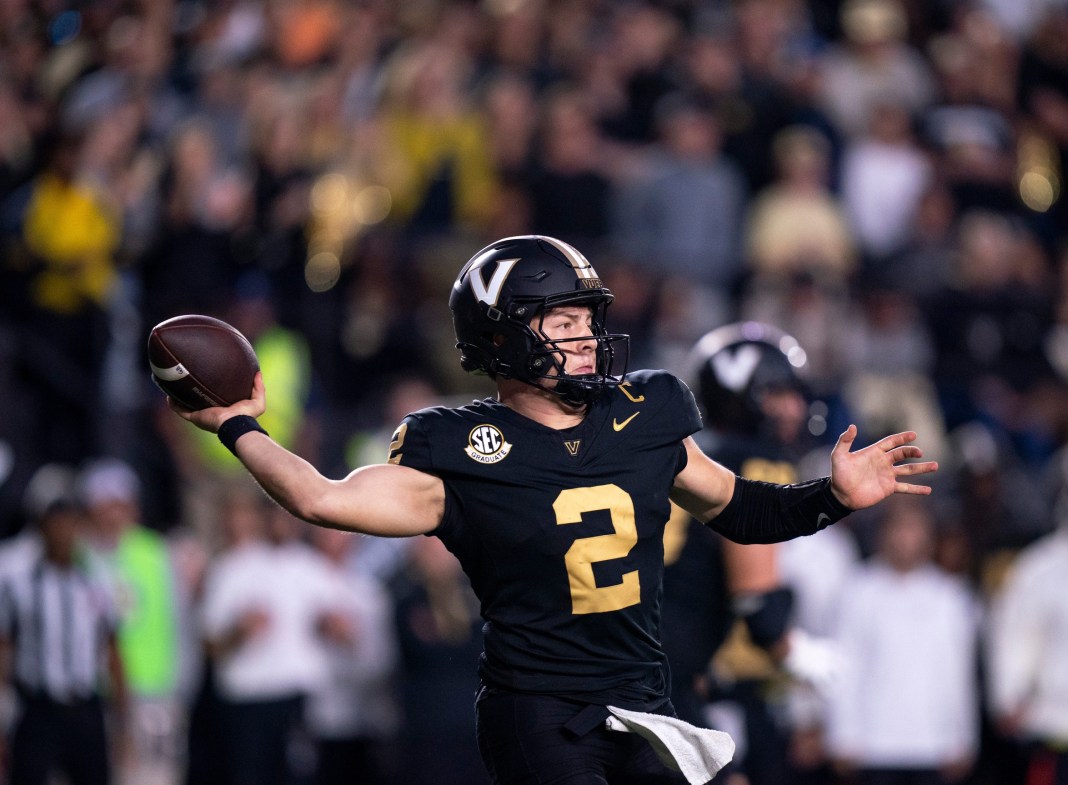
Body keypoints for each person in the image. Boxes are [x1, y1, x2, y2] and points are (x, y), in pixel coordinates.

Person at [165, 234, 938, 785]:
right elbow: (319, 497)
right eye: (562, 322)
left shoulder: (646, 414)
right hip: (538, 713)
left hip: (647, 703)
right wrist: (236, 424)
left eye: (586, 320)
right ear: (503, 338)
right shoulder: (456, 447)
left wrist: (833, 496)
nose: (586, 338)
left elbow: (741, 511)